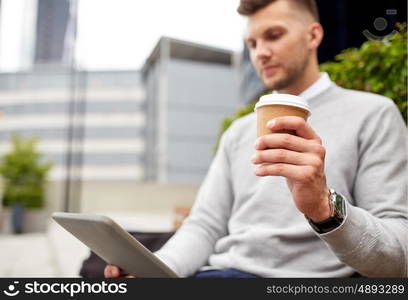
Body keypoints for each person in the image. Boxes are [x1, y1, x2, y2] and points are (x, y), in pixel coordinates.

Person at [105, 0, 407, 278]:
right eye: (252, 43)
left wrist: (323, 207)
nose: (260, 52)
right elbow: (204, 226)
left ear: (313, 36)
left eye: (274, 35)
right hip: (220, 273)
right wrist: (156, 271)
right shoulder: (238, 131)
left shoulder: (373, 114)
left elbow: (398, 256)